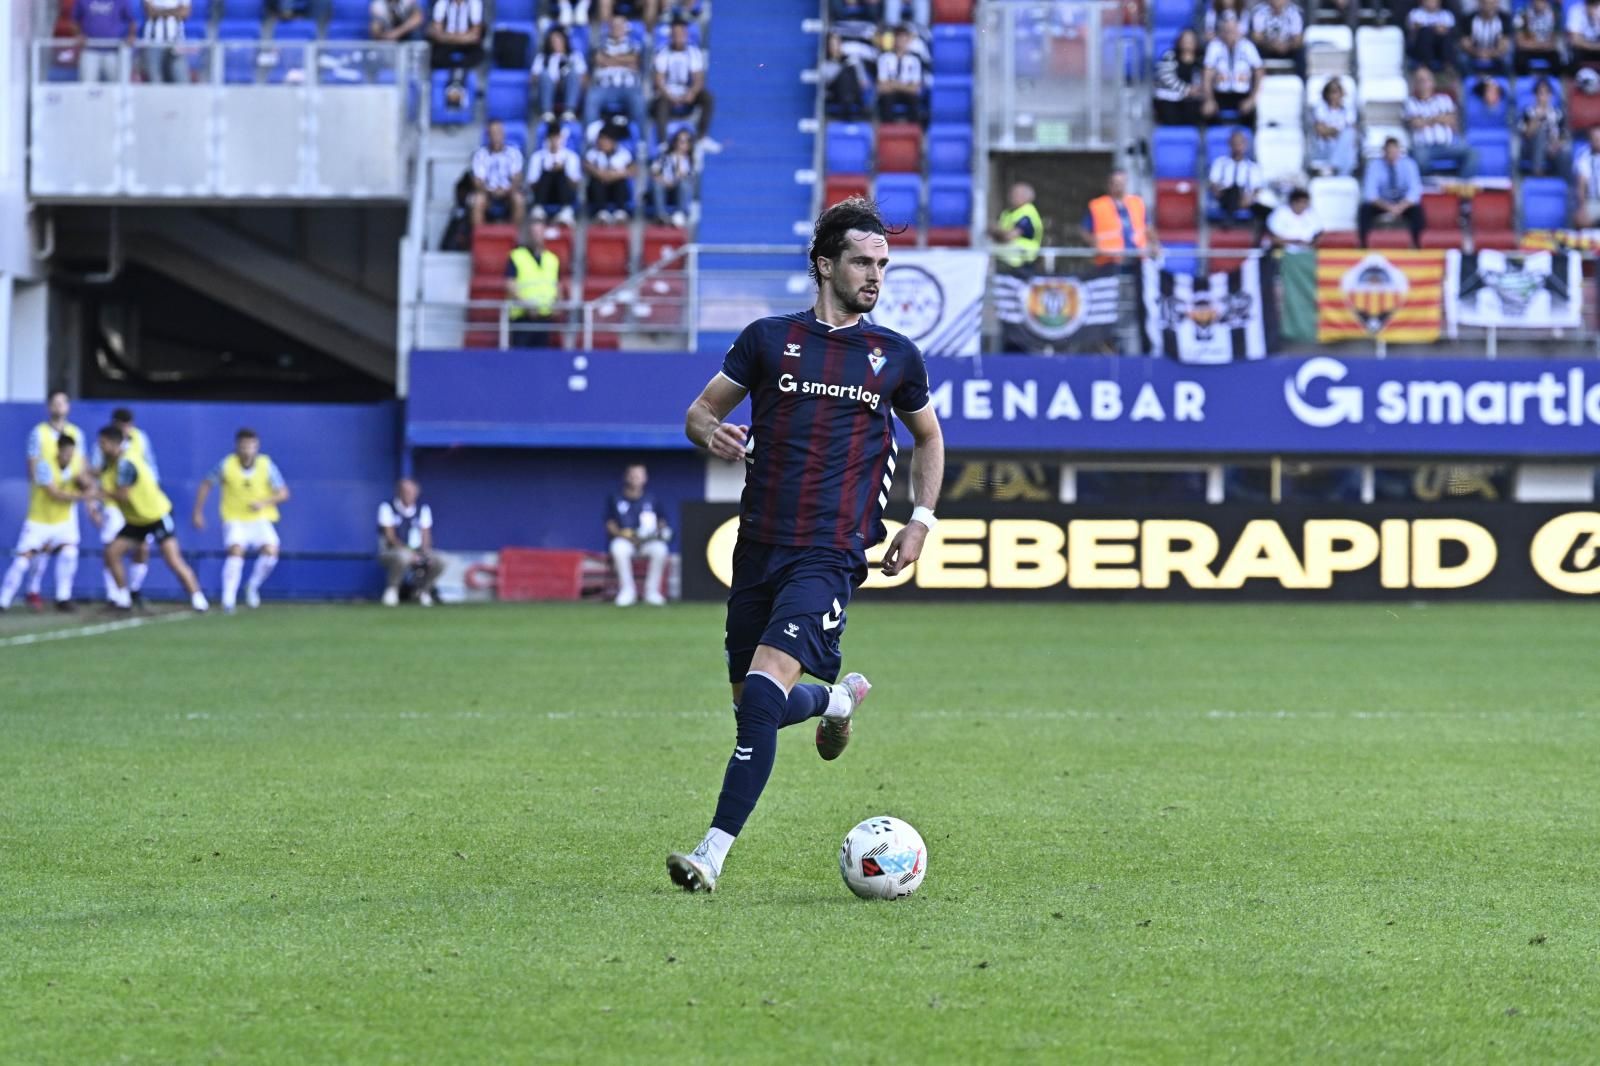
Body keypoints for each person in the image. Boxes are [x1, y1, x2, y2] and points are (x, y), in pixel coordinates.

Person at [665, 197, 945, 893]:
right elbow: (700, 413)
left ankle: (712, 853)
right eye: (862, 261)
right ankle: (833, 703)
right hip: (758, 548)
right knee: (751, 706)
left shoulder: (894, 357)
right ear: (825, 265)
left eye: (883, 263)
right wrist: (712, 434)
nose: (875, 275)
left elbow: (930, 438)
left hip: (829, 553)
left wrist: (921, 521)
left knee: (761, 694)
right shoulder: (767, 340)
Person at [95, 424, 208, 612]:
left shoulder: (126, 463)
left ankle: (198, 598)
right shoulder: (113, 462)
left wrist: (98, 493)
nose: (100, 447)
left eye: (103, 443)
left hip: (156, 515)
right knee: (112, 553)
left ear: (114, 443)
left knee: (172, 559)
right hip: (136, 519)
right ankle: (124, 599)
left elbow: (123, 495)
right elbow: (98, 474)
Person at [191, 429, 289, 613]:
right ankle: (228, 600)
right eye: (243, 446)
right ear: (237, 446)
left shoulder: (266, 465)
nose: (247, 450)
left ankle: (252, 586)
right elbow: (206, 484)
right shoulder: (227, 465)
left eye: (251, 446)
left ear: (256, 446)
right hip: (234, 519)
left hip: (260, 519)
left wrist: (263, 503)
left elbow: (283, 493)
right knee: (236, 551)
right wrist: (198, 512)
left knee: (271, 552)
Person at [0, 433, 89, 613]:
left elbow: (87, 482)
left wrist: (88, 487)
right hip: (39, 521)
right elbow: (53, 493)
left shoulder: (76, 464)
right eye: (66, 453)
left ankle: (63, 597)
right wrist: (82, 495)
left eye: (72, 453)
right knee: (22, 561)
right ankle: (4, 600)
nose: (69, 456)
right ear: (59, 450)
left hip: (62, 521)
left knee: (70, 553)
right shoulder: (43, 465)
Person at [88, 407, 157, 608]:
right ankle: (116, 596)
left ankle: (134, 589)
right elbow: (96, 475)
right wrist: (94, 504)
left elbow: (151, 469)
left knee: (143, 547)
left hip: (138, 505)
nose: (125, 428)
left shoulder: (140, 439)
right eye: (121, 424)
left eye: (128, 424)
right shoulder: (102, 446)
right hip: (114, 503)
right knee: (111, 548)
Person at [605, 463, 670, 607]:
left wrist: (659, 531)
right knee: (618, 548)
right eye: (633, 475)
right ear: (627, 477)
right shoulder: (616, 498)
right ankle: (627, 591)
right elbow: (610, 524)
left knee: (660, 549)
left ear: (645, 478)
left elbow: (662, 521)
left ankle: (651, 592)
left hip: (647, 541)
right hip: (626, 540)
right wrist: (623, 534)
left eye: (639, 475)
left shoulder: (652, 498)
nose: (636, 478)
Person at [378, 478, 444, 606]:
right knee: (403, 557)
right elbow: (390, 538)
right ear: (399, 493)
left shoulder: (422, 509)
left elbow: (426, 535)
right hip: (393, 551)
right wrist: (411, 553)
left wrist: (424, 552)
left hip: (418, 551)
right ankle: (392, 590)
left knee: (440, 560)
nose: (409, 495)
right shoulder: (387, 507)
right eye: (406, 492)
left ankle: (423, 591)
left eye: (412, 492)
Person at [652, 16, 716, 148]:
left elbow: (698, 79)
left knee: (707, 97)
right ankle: (662, 142)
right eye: (675, 34)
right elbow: (659, 80)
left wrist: (691, 93)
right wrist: (670, 96)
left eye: (681, 33)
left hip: (688, 94)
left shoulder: (694, 53)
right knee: (660, 103)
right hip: (668, 94)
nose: (678, 37)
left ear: (686, 34)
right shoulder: (663, 53)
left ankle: (701, 137)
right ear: (671, 35)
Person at [1404, 68, 1478, 178]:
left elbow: (1452, 120)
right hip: (1424, 147)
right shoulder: (1410, 102)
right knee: (1420, 159)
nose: (1424, 84)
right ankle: (1429, 184)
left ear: (1433, 82)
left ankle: (1460, 184)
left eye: (1427, 80)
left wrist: (1426, 120)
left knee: (1472, 153)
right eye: (1420, 80)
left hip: (1447, 145)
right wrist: (1439, 118)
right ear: (1415, 84)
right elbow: (1416, 123)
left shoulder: (1444, 99)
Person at [1081, 169, 1157, 267]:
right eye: (1116, 183)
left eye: (1122, 183)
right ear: (1109, 185)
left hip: (1137, 258)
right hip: (1109, 260)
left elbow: (1148, 228)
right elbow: (1084, 231)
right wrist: (1095, 244)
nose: (1119, 186)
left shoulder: (1137, 203)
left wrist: (1154, 244)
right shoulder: (1098, 206)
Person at [586, 15, 648, 133]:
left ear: (626, 28)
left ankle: (641, 141)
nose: (617, 28)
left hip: (629, 87)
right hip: (603, 87)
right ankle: (590, 139)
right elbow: (599, 59)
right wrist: (624, 60)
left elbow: (635, 60)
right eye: (614, 25)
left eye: (620, 25)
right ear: (609, 27)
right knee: (591, 98)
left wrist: (609, 60)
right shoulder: (601, 43)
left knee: (638, 101)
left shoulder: (634, 43)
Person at [1359, 137, 1425, 247]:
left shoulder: (1409, 165)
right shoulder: (1374, 166)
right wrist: (1389, 207)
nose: (1392, 155)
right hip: (1382, 203)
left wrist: (1401, 207)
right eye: (1389, 152)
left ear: (1399, 151)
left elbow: (1415, 192)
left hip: (1403, 204)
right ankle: (1363, 245)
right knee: (1364, 209)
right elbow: (1370, 194)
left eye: (1395, 151)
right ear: (1384, 152)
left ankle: (1417, 245)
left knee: (1417, 211)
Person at [1203, 14, 1263, 126]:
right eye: (1226, 30)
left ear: (1238, 30)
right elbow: (1207, 75)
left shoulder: (1248, 46)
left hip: (1242, 94)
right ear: (1221, 31)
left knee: (1253, 114)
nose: (1229, 33)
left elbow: (1259, 72)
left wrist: (1252, 99)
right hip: (1220, 94)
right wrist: (1209, 99)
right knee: (1206, 111)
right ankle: (1211, 141)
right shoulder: (1214, 46)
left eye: (1232, 30)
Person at [505, 226, 562, 341]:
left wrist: (558, 304)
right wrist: (527, 305)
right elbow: (510, 284)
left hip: (545, 315)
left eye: (540, 232)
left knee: (541, 356)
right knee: (521, 355)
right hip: (523, 316)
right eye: (534, 233)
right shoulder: (517, 255)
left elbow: (557, 285)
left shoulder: (552, 259)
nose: (537, 236)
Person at [469, 121, 527, 228]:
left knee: (519, 199)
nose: (496, 136)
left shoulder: (514, 153)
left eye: (498, 133)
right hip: (487, 193)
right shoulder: (480, 154)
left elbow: (517, 177)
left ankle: (515, 239)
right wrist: (490, 191)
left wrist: (507, 191)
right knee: (477, 201)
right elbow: (478, 181)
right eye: (493, 133)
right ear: (488, 135)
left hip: (509, 193)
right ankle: (480, 240)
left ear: (503, 134)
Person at [427, 0, 485, 108]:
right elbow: (437, 32)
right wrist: (462, 37)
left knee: (478, 54)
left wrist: (450, 37)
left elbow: (475, 34)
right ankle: (456, 77)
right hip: (447, 43)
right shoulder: (442, 3)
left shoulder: (474, 3)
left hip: (465, 43)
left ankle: (457, 81)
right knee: (435, 56)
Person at [1208, 129, 1267, 229]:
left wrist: (1249, 200)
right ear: (1229, 144)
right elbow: (1213, 183)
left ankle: (1230, 219)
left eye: (1240, 143)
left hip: (1246, 199)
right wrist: (1217, 193)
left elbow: (1257, 188)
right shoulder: (1220, 163)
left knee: (1267, 211)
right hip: (1224, 196)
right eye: (1235, 143)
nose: (1237, 146)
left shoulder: (1253, 167)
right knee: (1233, 189)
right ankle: (1230, 217)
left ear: (1245, 145)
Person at [584, 118, 637, 223]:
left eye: (605, 139)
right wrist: (599, 173)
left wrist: (616, 175)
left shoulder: (623, 153)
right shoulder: (593, 153)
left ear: (613, 141)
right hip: (599, 189)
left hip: (615, 188)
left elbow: (634, 169)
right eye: (600, 139)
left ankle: (620, 212)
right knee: (595, 181)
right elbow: (586, 165)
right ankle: (601, 212)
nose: (601, 142)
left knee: (621, 182)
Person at [531, 26, 585, 124]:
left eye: (558, 40)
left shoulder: (575, 56)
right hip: (548, 87)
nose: (556, 43)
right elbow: (534, 77)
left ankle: (569, 110)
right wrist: (550, 81)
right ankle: (547, 112)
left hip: (568, 86)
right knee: (543, 74)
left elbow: (583, 77)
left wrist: (564, 82)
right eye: (553, 41)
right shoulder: (542, 57)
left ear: (564, 41)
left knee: (573, 73)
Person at [527, 126, 581, 224]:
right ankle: (538, 208)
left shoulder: (571, 157)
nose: (554, 141)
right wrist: (548, 171)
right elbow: (532, 184)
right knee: (548, 173)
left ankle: (566, 210)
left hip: (564, 193)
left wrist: (563, 170)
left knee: (560, 173)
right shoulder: (537, 157)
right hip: (544, 193)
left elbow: (575, 185)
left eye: (557, 138)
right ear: (546, 139)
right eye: (551, 138)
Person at [73, 0, 137, 82]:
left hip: (114, 51)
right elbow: (75, 20)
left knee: (117, 86)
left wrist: (131, 35)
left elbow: (132, 20)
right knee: (87, 86)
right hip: (90, 50)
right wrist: (78, 34)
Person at [876, 24, 927, 125]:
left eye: (903, 38)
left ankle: (913, 131)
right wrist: (904, 85)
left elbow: (915, 89)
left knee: (914, 99)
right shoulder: (884, 58)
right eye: (898, 38)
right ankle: (887, 131)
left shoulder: (915, 60)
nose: (900, 41)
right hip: (892, 93)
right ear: (894, 40)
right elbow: (881, 87)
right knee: (886, 98)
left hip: (906, 94)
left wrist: (894, 84)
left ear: (908, 40)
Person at [988, 181, 1043, 274]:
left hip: (1021, 261)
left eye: (1015, 194)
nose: (1011, 196)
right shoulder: (1008, 212)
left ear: (1025, 197)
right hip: (1006, 259)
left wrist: (998, 232)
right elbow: (993, 230)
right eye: (1011, 193)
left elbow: (1009, 235)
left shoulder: (1027, 213)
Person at [1520, 77, 1569, 177]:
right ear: (1535, 95)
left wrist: (1556, 145)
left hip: (1552, 148)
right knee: (1540, 134)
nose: (1543, 96)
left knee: (1564, 154)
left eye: (1546, 93)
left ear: (1550, 95)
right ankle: (1537, 173)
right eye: (1540, 93)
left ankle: (1565, 186)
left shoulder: (1558, 113)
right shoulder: (1528, 111)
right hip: (1530, 148)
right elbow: (1526, 135)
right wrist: (1536, 118)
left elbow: (1564, 136)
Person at [1154, 28, 1204, 126]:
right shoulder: (1169, 56)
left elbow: (1203, 77)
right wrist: (1186, 89)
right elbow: (1165, 77)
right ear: (1179, 41)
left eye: (1190, 40)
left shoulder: (1201, 59)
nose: (1187, 43)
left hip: (1191, 99)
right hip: (1169, 98)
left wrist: (1197, 89)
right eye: (1185, 40)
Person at [650, 127, 698, 227]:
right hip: (664, 185)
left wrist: (679, 171)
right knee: (656, 184)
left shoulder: (690, 160)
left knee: (684, 183)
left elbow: (690, 176)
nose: (682, 144)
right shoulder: (665, 156)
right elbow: (654, 170)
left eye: (686, 142)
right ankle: (660, 215)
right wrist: (662, 179)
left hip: (679, 188)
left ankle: (680, 213)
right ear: (675, 142)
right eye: (680, 141)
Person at [1310, 78, 1358, 176]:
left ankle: (1334, 166)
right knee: (1345, 139)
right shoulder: (1320, 108)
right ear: (1326, 95)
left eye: (1336, 92)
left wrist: (1332, 131)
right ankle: (1338, 168)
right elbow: (1320, 131)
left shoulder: (1348, 109)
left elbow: (1352, 132)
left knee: (1348, 136)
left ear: (1341, 94)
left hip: (1343, 149)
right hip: (1325, 147)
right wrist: (1338, 132)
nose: (1333, 96)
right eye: (1331, 93)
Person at [823, 30, 872, 122]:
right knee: (845, 73)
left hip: (854, 90)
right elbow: (827, 81)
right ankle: (859, 105)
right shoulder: (825, 63)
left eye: (836, 43)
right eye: (831, 44)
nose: (834, 47)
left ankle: (850, 104)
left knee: (850, 69)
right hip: (835, 93)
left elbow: (864, 82)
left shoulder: (852, 59)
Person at [1250, 0, 1306, 79]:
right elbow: (1256, 37)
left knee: (1301, 50)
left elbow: (1298, 38)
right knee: (1253, 50)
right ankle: (1255, 81)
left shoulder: (1295, 11)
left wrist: (1286, 46)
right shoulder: (1259, 11)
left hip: (1288, 49)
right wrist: (1271, 45)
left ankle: (1303, 83)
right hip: (1267, 48)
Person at [1459, 0, 1513, 77]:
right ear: (1479, 3)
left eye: (1492, 3)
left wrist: (1489, 54)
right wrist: (1479, 53)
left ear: (1497, 3)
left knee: (1507, 60)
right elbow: (1465, 44)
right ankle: (1469, 82)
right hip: (1474, 53)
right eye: (1485, 3)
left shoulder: (1504, 19)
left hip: (1496, 54)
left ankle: (1503, 84)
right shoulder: (1468, 19)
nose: (1488, 7)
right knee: (1463, 59)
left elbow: (1504, 45)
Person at [1265, 187, 1323, 251]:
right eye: (1300, 202)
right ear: (1292, 202)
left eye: (1305, 202)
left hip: (1306, 250)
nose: (1302, 206)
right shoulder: (1280, 213)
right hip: (1282, 250)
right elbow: (1274, 238)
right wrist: (1293, 242)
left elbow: (1319, 234)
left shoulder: (1311, 214)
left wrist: (1309, 245)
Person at [1407, 0, 1457, 73]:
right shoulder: (1415, 13)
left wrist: (1441, 30)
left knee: (1447, 36)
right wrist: (1434, 28)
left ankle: (1448, 65)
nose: (1431, 2)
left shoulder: (1446, 14)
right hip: (1420, 46)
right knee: (1426, 32)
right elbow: (1414, 29)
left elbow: (1449, 31)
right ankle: (1426, 65)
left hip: (1440, 46)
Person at [1515, 0, 1562, 75]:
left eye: (1542, 1)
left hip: (1546, 49)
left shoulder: (1554, 14)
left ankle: (1552, 84)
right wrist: (1539, 45)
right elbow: (1520, 42)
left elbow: (1554, 42)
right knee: (1520, 60)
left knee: (1557, 59)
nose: (1539, 4)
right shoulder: (1522, 13)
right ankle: (1524, 83)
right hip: (1529, 49)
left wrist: (1544, 45)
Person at [1573, 126, 1600, 225]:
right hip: (1593, 201)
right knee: (1580, 219)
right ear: (1591, 141)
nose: (1598, 142)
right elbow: (1581, 186)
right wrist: (1582, 207)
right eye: (1596, 139)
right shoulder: (1585, 157)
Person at [1569, 0, 1600, 73]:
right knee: (1573, 54)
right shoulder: (1576, 10)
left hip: (1595, 44)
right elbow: (1575, 40)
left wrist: (1597, 20)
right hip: (1582, 49)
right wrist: (1595, 47)